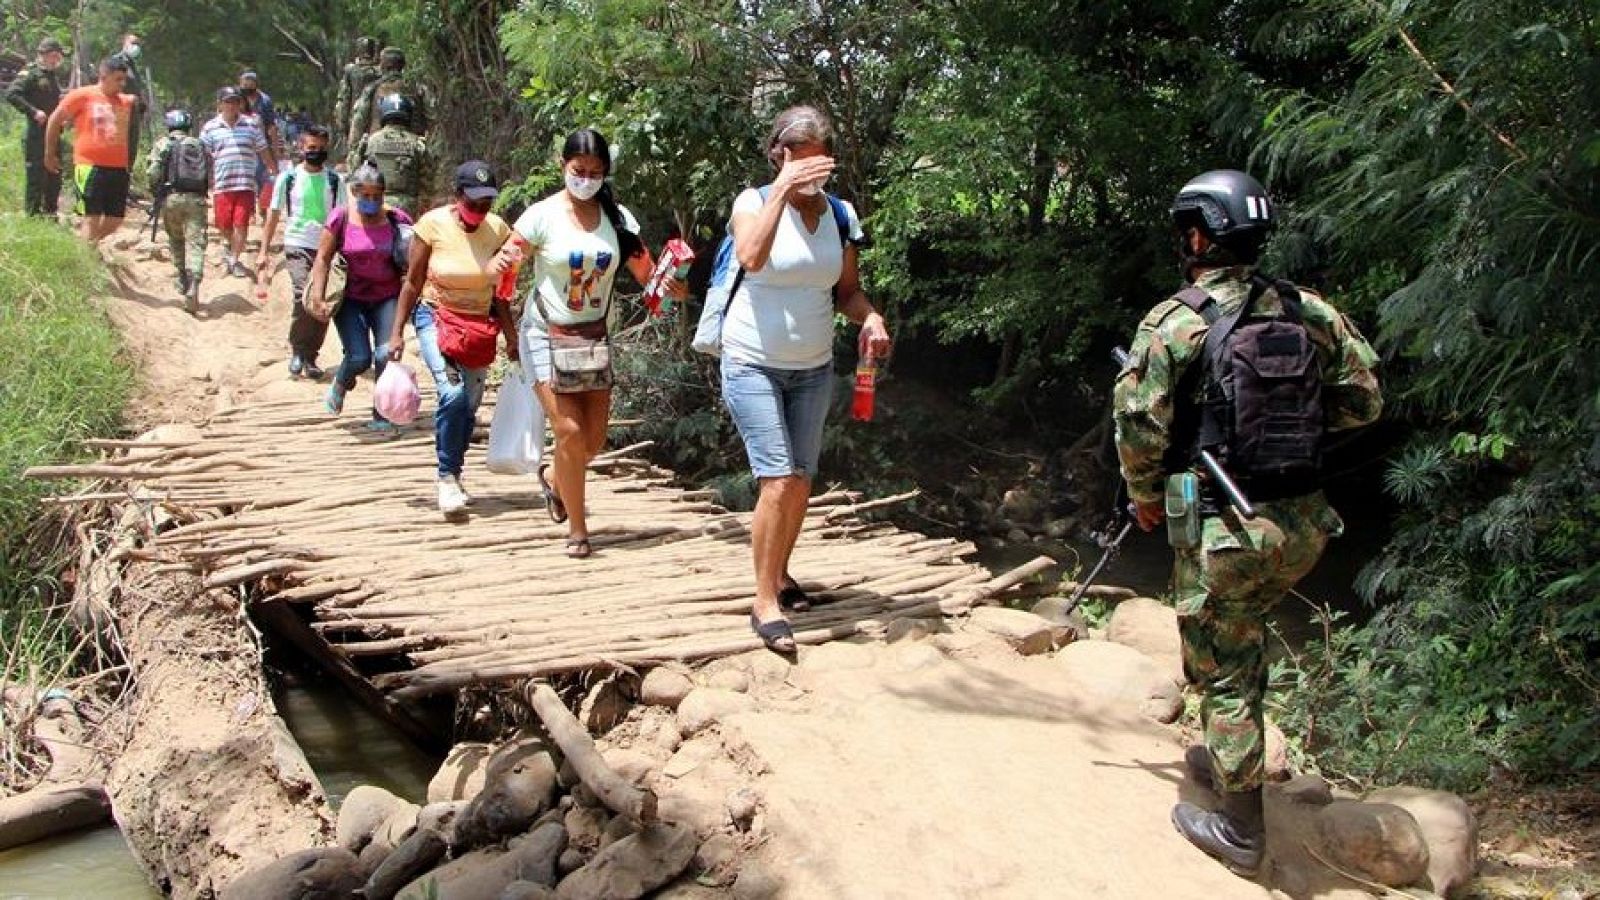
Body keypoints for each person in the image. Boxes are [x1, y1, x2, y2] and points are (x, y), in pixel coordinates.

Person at [1112, 169, 1382, 876]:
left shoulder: (1176, 320)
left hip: (1229, 526)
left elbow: (1139, 425)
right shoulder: (1308, 309)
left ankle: (1240, 830)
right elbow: (1365, 400)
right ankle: (1235, 758)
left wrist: (1145, 492)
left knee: (1225, 669)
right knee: (1248, 638)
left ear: (1199, 234)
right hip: (1304, 521)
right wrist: (1293, 435)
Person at [719, 106, 891, 650]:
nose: (815, 171)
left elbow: (846, 293)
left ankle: (782, 573)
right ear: (780, 154)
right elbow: (750, 256)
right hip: (751, 359)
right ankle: (764, 600)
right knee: (778, 478)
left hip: (813, 367)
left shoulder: (841, 215)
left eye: (823, 160)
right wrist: (780, 192)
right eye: (803, 160)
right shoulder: (752, 202)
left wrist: (873, 318)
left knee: (802, 479)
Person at [506, 128, 686, 558]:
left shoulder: (618, 219)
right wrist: (498, 271)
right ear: (562, 166)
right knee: (567, 431)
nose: (586, 179)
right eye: (578, 171)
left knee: (592, 438)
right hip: (544, 332)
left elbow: (647, 274)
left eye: (595, 173)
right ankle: (579, 530)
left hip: (591, 335)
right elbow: (510, 259)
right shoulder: (541, 216)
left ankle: (556, 483)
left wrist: (671, 281)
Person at [388, 160, 519, 517]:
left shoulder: (498, 231)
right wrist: (397, 332)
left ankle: (455, 472)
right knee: (452, 393)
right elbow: (412, 281)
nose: (479, 210)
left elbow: (502, 292)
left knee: (469, 407)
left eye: (486, 204)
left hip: (477, 325)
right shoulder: (431, 225)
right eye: (472, 202)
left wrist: (511, 336)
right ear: (457, 195)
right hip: (436, 315)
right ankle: (446, 477)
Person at [306, 163, 412, 430]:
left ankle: (381, 412)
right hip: (351, 298)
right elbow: (322, 258)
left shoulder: (397, 220)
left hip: (386, 295)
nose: (372, 201)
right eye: (365, 195)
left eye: (377, 195)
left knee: (385, 354)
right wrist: (318, 295)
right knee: (359, 357)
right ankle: (342, 381)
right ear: (354, 193)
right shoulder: (340, 218)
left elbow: (414, 257)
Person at [257, 125, 340, 379]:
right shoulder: (288, 179)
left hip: (326, 249)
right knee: (300, 296)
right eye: (311, 148)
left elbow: (342, 217)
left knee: (322, 301)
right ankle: (297, 349)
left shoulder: (335, 181)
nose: (316, 152)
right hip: (297, 244)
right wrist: (264, 251)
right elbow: (273, 215)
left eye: (321, 148)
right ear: (302, 148)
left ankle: (311, 356)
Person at [43, 56, 138, 244]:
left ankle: (89, 247)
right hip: (89, 166)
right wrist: (50, 153)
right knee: (91, 216)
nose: (122, 84)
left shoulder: (126, 102)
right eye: (118, 79)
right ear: (104, 76)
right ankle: (87, 257)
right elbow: (54, 119)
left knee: (115, 219)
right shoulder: (82, 95)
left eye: (124, 79)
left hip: (119, 167)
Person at [200, 86, 276, 278]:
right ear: (219, 104)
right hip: (221, 185)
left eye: (235, 101)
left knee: (241, 224)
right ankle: (229, 249)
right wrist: (203, 180)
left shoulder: (251, 125)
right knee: (224, 225)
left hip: (245, 184)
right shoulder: (210, 128)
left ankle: (233, 260)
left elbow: (263, 149)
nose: (232, 105)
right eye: (228, 101)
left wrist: (273, 169)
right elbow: (203, 155)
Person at [147, 109, 211, 313]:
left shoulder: (163, 143)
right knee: (196, 242)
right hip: (197, 199)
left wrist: (155, 192)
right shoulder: (199, 144)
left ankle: (182, 277)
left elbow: (153, 172)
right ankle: (194, 283)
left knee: (176, 239)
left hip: (171, 198)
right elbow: (209, 170)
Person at [4, 37, 65, 217]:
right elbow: (12, 94)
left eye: (58, 56)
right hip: (36, 135)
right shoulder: (30, 73)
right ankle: (32, 214)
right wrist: (33, 111)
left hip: (53, 134)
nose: (55, 60)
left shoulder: (53, 76)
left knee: (55, 174)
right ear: (43, 55)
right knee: (36, 176)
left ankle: (50, 212)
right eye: (52, 56)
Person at [350, 94, 433, 218]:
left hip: (376, 204)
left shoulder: (370, 141)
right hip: (409, 207)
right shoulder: (417, 144)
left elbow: (354, 171)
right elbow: (427, 181)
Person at [346, 47, 432, 151]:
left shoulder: (371, 89)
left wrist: (353, 149)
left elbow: (359, 120)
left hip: (378, 148)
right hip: (411, 149)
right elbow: (432, 118)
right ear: (403, 65)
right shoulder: (418, 89)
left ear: (383, 66)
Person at [237, 71, 279, 219]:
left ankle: (262, 208)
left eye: (250, 83)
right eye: (244, 84)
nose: (247, 87)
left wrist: (275, 151)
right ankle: (249, 211)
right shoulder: (235, 98)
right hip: (241, 145)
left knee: (263, 178)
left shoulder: (265, 101)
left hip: (262, 146)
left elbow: (271, 126)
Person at [334, 37, 380, 154]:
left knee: (354, 153)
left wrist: (342, 126)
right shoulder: (380, 72)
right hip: (378, 120)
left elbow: (343, 100)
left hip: (355, 119)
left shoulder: (351, 70)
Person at [108, 33, 145, 169]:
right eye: (133, 43)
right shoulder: (116, 62)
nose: (136, 47)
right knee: (118, 148)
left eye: (138, 44)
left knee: (131, 148)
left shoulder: (132, 65)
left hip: (132, 113)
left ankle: (126, 178)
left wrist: (141, 104)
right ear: (124, 44)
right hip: (119, 113)